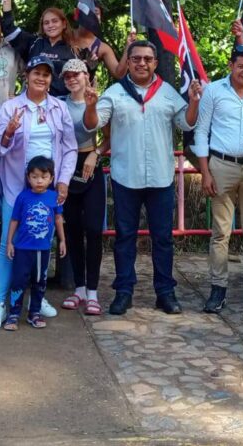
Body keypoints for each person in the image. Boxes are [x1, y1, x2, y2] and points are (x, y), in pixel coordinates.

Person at [84, 41, 201, 316]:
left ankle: (165, 292)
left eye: (147, 59)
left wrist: (194, 102)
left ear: (155, 63)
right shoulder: (114, 94)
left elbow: (187, 123)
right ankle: (124, 292)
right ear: (129, 60)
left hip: (161, 177)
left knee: (163, 239)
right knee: (125, 237)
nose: (141, 63)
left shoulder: (168, 93)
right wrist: (90, 105)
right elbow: (93, 124)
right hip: (126, 176)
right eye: (135, 58)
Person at [0, 55, 77, 330]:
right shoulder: (10, 108)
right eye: (36, 73)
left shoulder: (59, 108)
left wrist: (63, 181)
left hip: (47, 191)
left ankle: (34, 301)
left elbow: (70, 147)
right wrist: (9, 132)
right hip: (17, 188)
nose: (41, 78)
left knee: (41, 243)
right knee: (8, 246)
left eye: (46, 74)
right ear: (26, 75)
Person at [193, 45, 243, 316]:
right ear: (231, 65)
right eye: (241, 66)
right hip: (221, 166)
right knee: (220, 233)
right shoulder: (213, 91)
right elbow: (201, 131)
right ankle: (218, 289)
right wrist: (204, 172)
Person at [60, 60, 108, 315]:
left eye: (76, 74)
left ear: (86, 75)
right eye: (67, 76)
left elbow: (107, 136)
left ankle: (93, 290)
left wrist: (96, 153)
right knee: (73, 228)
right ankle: (78, 287)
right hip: (65, 166)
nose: (71, 79)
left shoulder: (99, 101)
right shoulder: (58, 102)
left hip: (90, 163)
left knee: (93, 228)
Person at [4, 156, 67, 330]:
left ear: (51, 178)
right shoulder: (22, 197)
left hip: (43, 249)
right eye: (34, 176)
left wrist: (62, 240)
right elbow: (14, 220)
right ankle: (14, 314)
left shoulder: (53, 197)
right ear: (28, 177)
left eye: (44, 177)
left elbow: (58, 219)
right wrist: (9, 242)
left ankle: (35, 313)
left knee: (40, 281)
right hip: (23, 248)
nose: (39, 181)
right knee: (19, 281)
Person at [0, 0, 81, 98]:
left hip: (61, 103)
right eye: (46, 23)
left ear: (64, 24)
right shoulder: (33, 43)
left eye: (55, 21)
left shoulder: (72, 50)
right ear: (42, 27)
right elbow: (9, 31)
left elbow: (80, 79)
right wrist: (7, 3)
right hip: (32, 101)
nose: (50, 25)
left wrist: (91, 67)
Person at [68, 0, 129, 82]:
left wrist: (128, 47)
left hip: (84, 92)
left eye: (96, 13)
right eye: (88, 12)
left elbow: (118, 74)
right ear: (77, 14)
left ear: (100, 19)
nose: (91, 16)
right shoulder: (65, 35)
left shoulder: (102, 48)